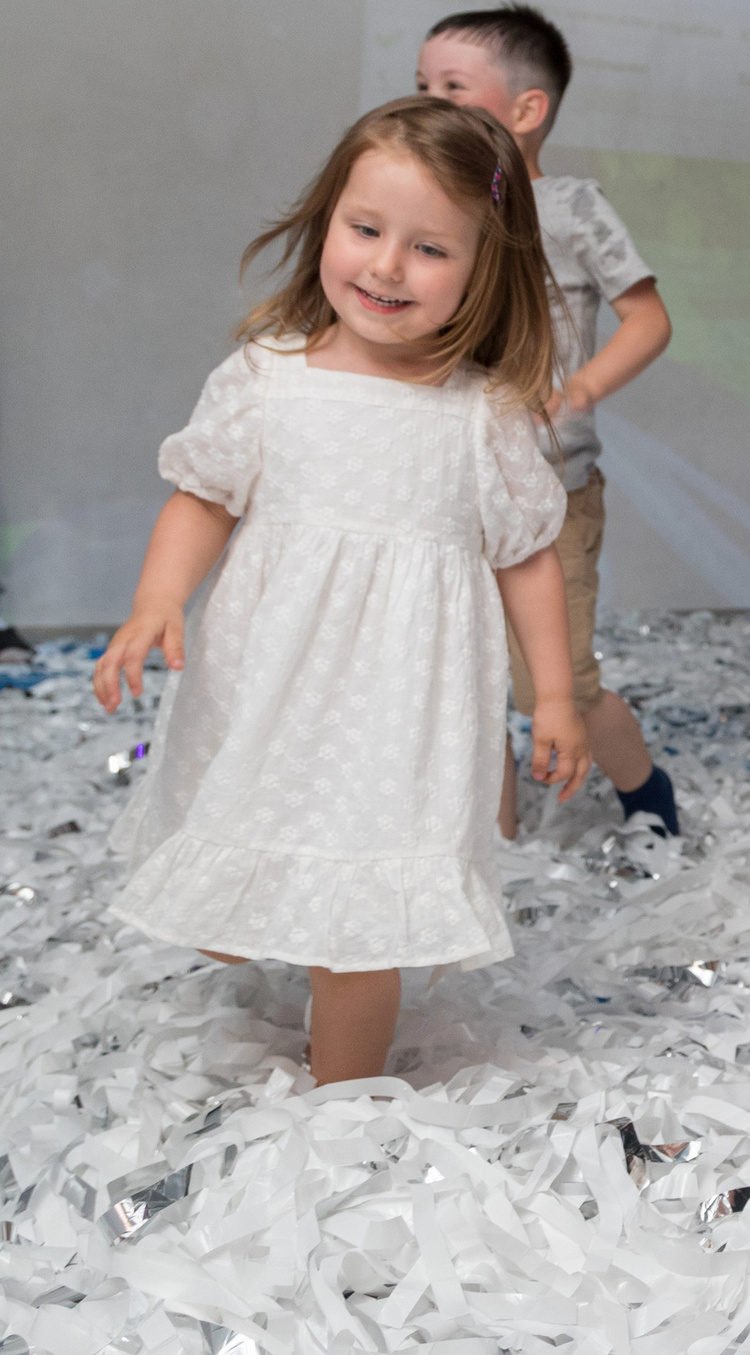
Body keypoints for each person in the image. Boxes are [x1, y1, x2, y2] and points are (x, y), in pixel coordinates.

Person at [91, 97, 587, 1085]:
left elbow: (526, 555)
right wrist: (157, 600)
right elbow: (204, 498)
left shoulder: (480, 417)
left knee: (358, 932)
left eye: (430, 249)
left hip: (400, 710)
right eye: (365, 230)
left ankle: (343, 1104)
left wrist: (558, 695)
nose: (387, 267)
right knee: (238, 881)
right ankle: (259, 917)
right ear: (327, 221)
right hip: (270, 680)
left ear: (485, 269)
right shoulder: (268, 379)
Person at [416, 4, 681, 838]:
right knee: (464, 681)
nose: (428, 103)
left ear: (527, 110)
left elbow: (649, 319)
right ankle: (491, 845)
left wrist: (580, 387)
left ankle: (648, 793)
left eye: (452, 88)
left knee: (553, 683)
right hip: (450, 486)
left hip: (551, 491)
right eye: (421, 87)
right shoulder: (428, 208)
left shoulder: (568, 207)